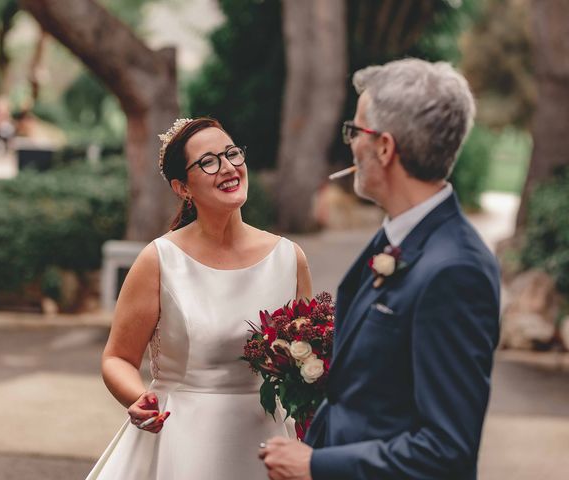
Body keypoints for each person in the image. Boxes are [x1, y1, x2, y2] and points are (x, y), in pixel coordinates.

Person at [259, 58, 500, 479]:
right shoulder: (396, 238)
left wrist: (318, 465)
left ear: (385, 147)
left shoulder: (456, 271)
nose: (351, 143)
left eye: (356, 131)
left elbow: (447, 451)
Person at [86, 117, 312, 480]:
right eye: (208, 162)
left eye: (231, 154)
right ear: (182, 187)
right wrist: (137, 398)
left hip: (268, 443)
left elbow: (306, 364)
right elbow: (117, 357)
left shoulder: (289, 258)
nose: (228, 167)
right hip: (180, 441)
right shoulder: (159, 260)